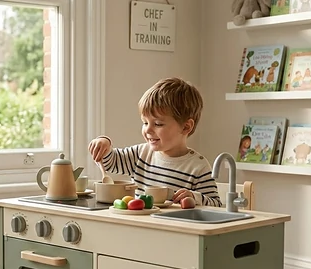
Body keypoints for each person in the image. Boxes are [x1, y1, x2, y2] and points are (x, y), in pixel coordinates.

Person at [88, 77, 222, 207]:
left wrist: (194, 197)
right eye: (145, 122)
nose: (148, 130)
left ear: (186, 127)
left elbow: (216, 204)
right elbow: (110, 162)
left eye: (158, 124)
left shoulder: (198, 167)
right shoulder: (140, 154)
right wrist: (104, 142)